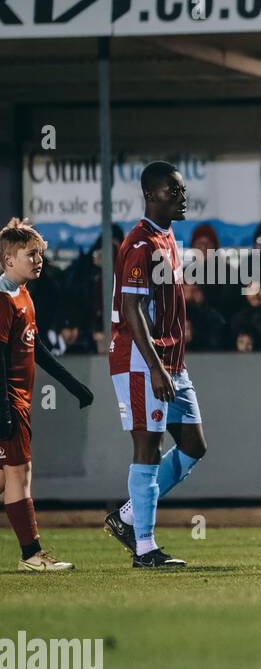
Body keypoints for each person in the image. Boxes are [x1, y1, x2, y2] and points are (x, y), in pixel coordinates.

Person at [103, 162, 208, 569]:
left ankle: (128, 515)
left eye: (182, 191)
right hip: (140, 360)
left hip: (169, 360)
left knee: (194, 445)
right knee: (148, 445)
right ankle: (145, 548)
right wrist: (157, 367)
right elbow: (130, 309)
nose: (182, 197)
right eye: (174, 191)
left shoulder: (167, 237)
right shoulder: (139, 243)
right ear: (151, 194)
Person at [0, 219, 93, 571]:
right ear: (9, 259)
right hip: (11, 401)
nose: (38, 260)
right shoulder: (3, 301)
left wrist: (72, 385)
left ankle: (31, 554)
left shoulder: (23, 295)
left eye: (40, 254)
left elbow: (34, 347)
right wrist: (4, 409)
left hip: (17, 400)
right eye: (31, 254)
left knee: (3, 477)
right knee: (19, 474)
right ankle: (31, 555)